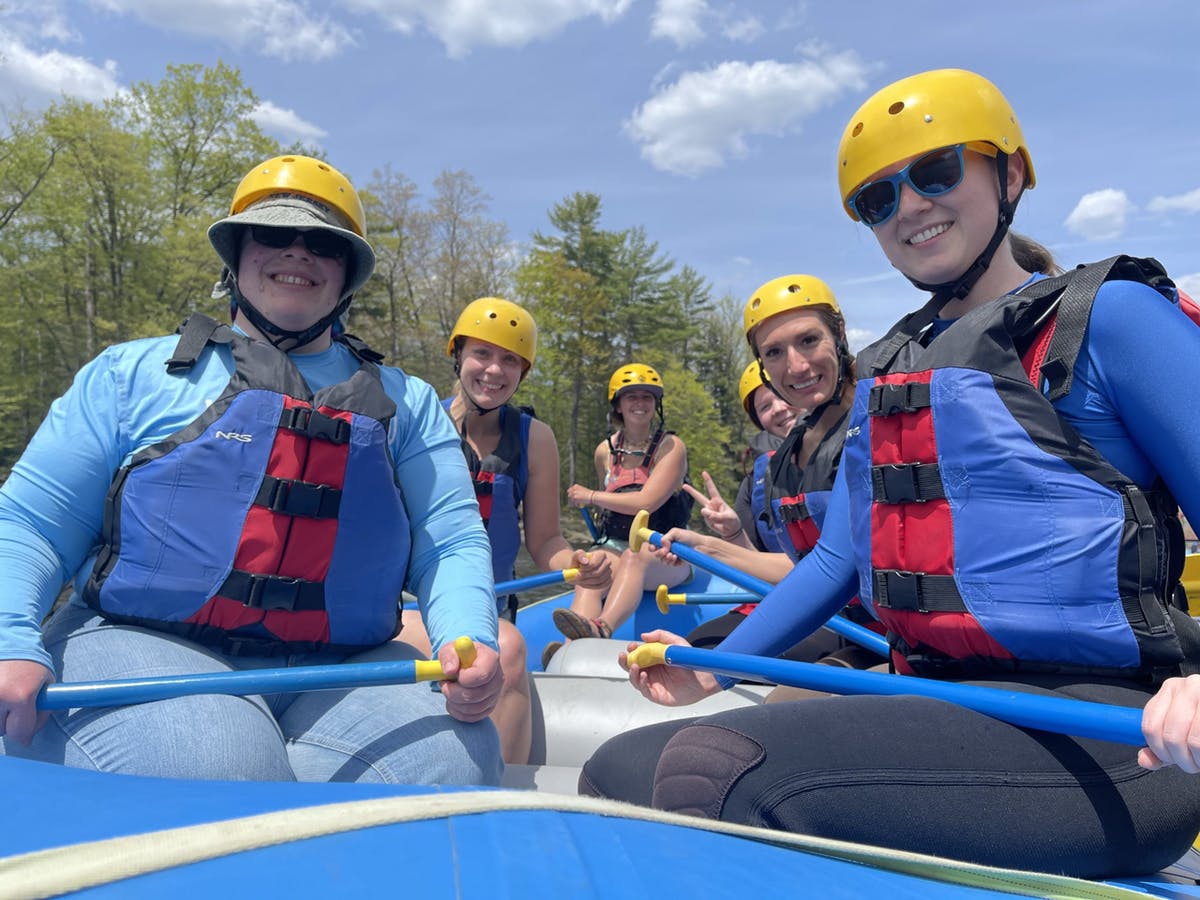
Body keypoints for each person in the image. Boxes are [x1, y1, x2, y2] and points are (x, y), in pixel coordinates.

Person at [580, 69, 1200, 878]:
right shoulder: (886, 373)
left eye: (936, 173)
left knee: (715, 773)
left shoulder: (1112, 320)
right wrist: (709, 663)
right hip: (942, 700)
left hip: (1117, 735)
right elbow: (839, 561)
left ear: (1008, 175)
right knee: (613, 772)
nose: (909, 207)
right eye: (877, 198)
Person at [0, 154, 504, 786]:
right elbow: (31, 523)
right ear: (236, 255)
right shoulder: (129, 375)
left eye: (323, 243)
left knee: (451, 757)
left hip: (341, 662)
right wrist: (10, 638)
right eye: (273, 234)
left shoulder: (409, 403)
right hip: (139, 638)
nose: (297, 253)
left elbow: (451, 541)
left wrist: (468, 637)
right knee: (216, 757)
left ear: (347, 273)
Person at [396, 296, 612, 764]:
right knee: (507, 644)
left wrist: (576, 563)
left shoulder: (535, 438)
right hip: (408, 610)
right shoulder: (415, 421)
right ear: (457, 355)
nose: (494, 371)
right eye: (482, 354)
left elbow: (544, 543)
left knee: (506, 642)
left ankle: (502, 793)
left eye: (510, 360)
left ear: (523, 373)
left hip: (489, 610)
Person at [679, 305, 877, 671]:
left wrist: (709, 548)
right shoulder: (775, 470)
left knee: (709, 656)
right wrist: (732, 532)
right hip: (822, 608)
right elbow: (777, 563)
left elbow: (828, 567)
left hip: (857, 621)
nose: (780, 411)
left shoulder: (868, 426)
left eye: (809, 341)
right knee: (700, 645)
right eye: (765, 407)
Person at [551, 365, 692, 648]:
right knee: (592, 569)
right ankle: (570, 650)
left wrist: (591, 496)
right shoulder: (604, 451)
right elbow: (613, 506)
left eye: (647, 397)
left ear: (656, 405)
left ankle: (602, 628)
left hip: (668, 553)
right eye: (631, 397)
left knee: (634, 557)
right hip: (615, 545)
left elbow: (646, 503)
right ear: (617, 404)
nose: (640, 404)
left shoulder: (671, 447)